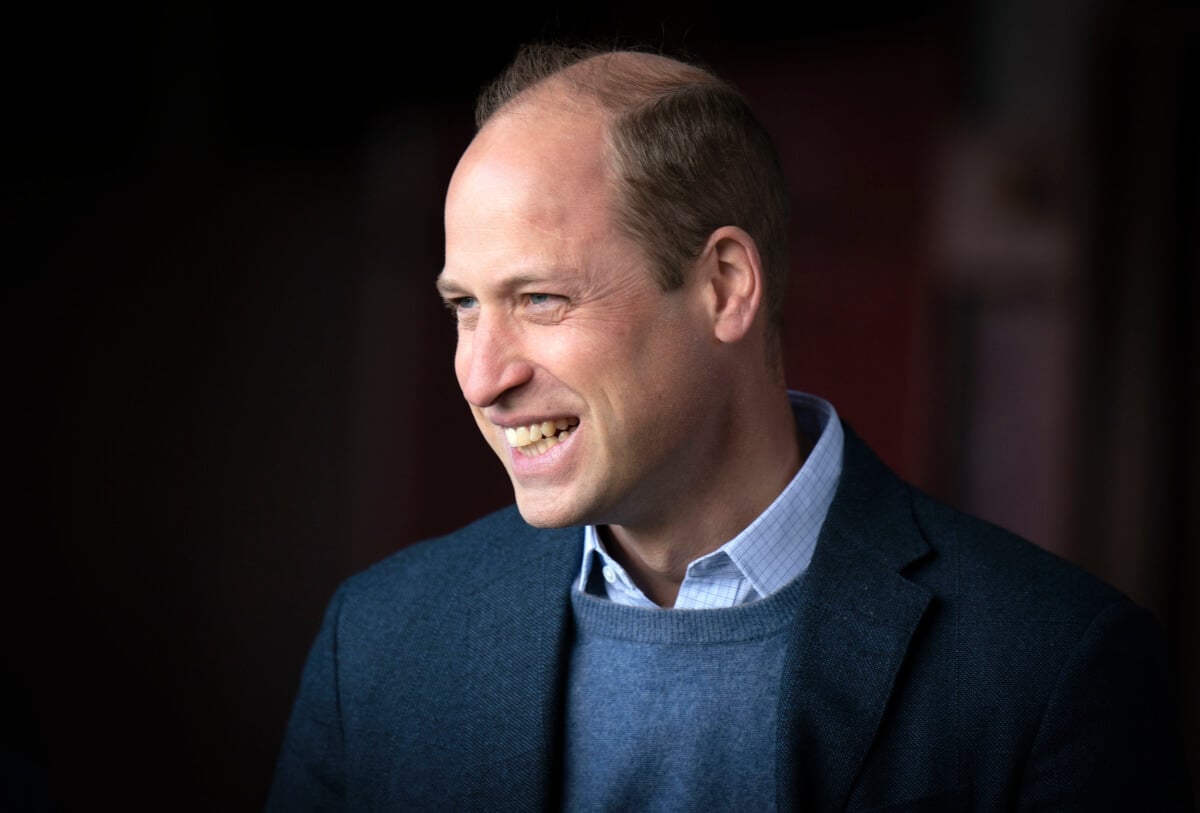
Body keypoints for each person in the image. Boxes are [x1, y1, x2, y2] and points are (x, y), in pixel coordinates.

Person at [267, 43, 1193, 811]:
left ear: (724, 287)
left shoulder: (1051, 669)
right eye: (465, 306)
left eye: (539, 299)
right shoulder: (379, 642)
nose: (482, 374)